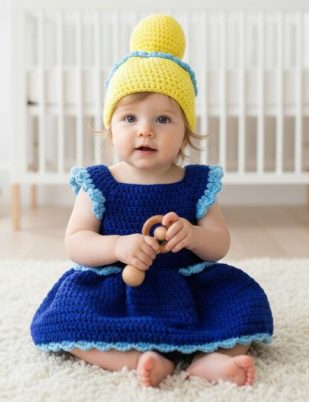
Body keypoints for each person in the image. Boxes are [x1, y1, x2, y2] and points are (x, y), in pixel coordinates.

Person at [30, 14, 273, 388]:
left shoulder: (196, 183)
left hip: (187, 286)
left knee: (245, 307)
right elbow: (75, 242)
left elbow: (219, 243)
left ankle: (208, 360)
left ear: (185, 133)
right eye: (129, 117)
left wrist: (192, 235)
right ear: (110, 129)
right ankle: (140, 360)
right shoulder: (99, 183)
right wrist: (117, 245)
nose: (145, 129)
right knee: (66, 319)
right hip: (118, 286)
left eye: (162, 118)